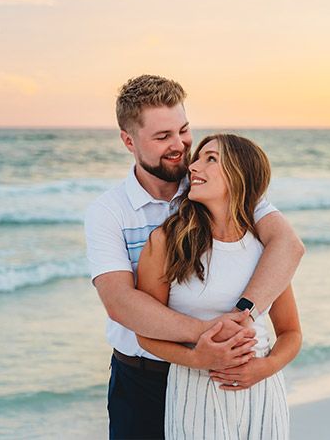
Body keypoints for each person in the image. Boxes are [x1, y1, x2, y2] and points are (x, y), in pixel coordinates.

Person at [84, 75, 304, 439]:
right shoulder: (110, 212)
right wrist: (210, 340)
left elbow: (287, 245)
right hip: (144, 379)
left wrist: (242, 317)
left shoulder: (214, 182)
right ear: (128, 141)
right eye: (162, 137)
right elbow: (120, 303)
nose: (180, 147)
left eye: (183, 130)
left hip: (231, 378)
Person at [137, 134, 302, 440]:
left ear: (240, 173)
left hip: (262, 390)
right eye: (197, 158)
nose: (193, 166)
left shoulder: (265, 248)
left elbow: (291, 332)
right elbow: (145, 334)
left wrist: (267, 367)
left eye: (210, 159)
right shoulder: (165, 242)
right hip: (194, 388)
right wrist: (197, 359)